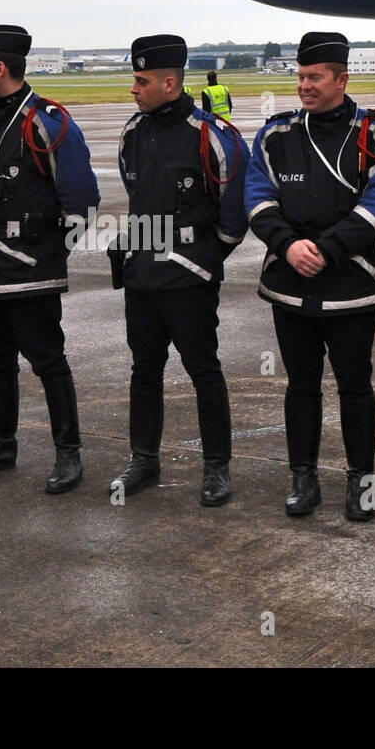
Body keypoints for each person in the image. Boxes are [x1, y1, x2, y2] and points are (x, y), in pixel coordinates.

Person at [244, 31, 375, 520]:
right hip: (289, 279)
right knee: (301, 384)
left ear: (342, 78)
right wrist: (289, 245)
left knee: (355, 384)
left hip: (352, 282)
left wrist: (328, 249)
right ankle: (304, 479)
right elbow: (256, 195)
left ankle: (361, 482)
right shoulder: (276, 134)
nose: (304, 86)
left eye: (315, 77)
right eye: (300, 77)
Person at [0, 25, 99, 494]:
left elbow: (82, 198)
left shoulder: (47, 120)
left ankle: (68, 453)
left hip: (32, 268)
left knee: (47, 360)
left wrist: (51, 254)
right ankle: (0, 445)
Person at [110, 34, 250, 507]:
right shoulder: (133, 133)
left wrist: (205, 262)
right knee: (144, 371)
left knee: (203, 370)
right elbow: (137, 204)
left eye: (141, 80)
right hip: (143, 278)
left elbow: (234, 215)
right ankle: (143, 460)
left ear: (170, 83)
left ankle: (217, 467)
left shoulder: (213, 135)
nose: (134, 88)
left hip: (189, 279)